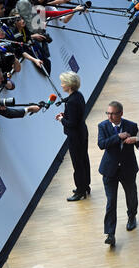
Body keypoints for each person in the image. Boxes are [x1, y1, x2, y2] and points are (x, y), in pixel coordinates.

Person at [98, 101, 139, 247]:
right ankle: (110, 233)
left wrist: (135, 139)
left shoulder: (132, 125)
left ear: (121, 114)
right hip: (109, 170)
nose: (110, 116)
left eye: (113, 113)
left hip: (128, 168)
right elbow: (101, 144)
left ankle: (132, 216)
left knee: (131, 194)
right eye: (108, 113)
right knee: (111, 201)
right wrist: (118, 136)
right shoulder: (103, 126)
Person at [55, 71, 90, 201]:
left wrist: (61, 119)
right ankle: (85, 185)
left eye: (63, 83)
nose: (61, 85)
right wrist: (66, 115)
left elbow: (72, 123)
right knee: (84, 160)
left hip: (75, 136)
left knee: (78, 163)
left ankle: (80, 190)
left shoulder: (71, 102)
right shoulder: (78, 96)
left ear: (69, 85)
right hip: (82, 132)